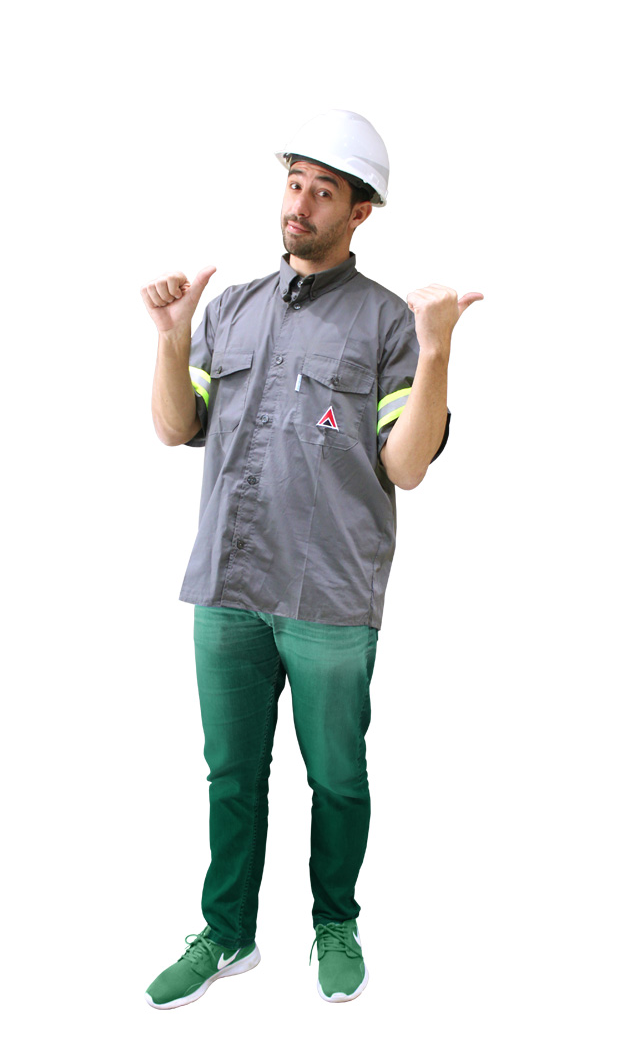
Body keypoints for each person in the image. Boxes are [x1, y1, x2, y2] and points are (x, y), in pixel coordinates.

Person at [139, 110, 479, 1009]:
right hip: (228, 584)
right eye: (295, 183)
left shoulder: (390, 324)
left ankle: (335, 922)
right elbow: (175, 426)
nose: (301, 203)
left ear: (360, 212)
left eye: (325, 191)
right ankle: (227, 932)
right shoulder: (231, 308)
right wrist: (171, 335)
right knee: (230, 775)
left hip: (329, 595)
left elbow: (407, 466)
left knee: (337, 778)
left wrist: (438, 350)